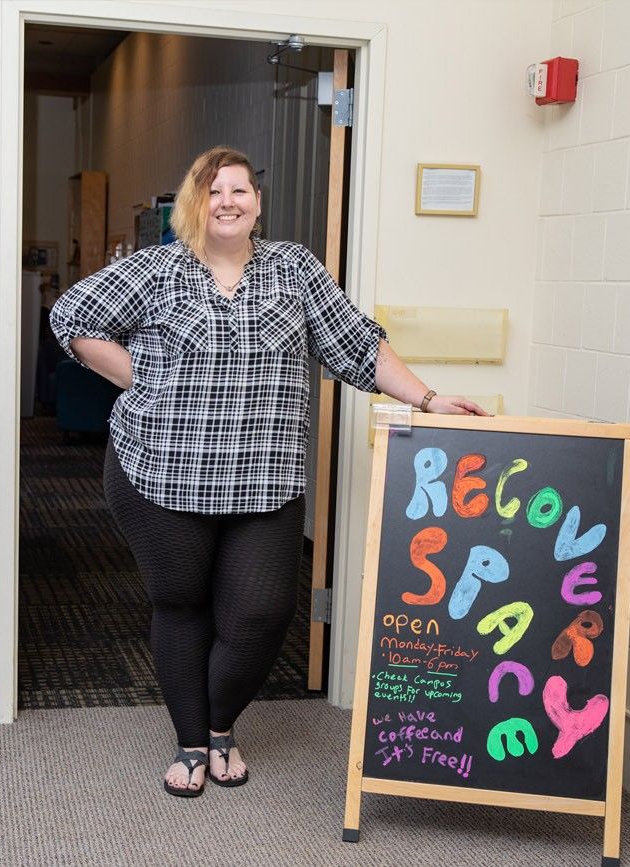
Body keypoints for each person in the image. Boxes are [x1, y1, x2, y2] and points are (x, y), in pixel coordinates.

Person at [50, 145, 488, 798]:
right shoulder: (157, 270)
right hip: (161, 474)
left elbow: (356, 344)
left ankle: (221, 720)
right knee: (182, 603)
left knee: (262, 613)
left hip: (265, 479)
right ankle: (195, 743)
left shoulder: (294, 269)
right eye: (214, 190)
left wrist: (428, 399)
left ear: (258, 201)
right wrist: (139, 379)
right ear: (195, 203)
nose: (228, 201)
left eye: (241, 190)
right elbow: (73, 316)